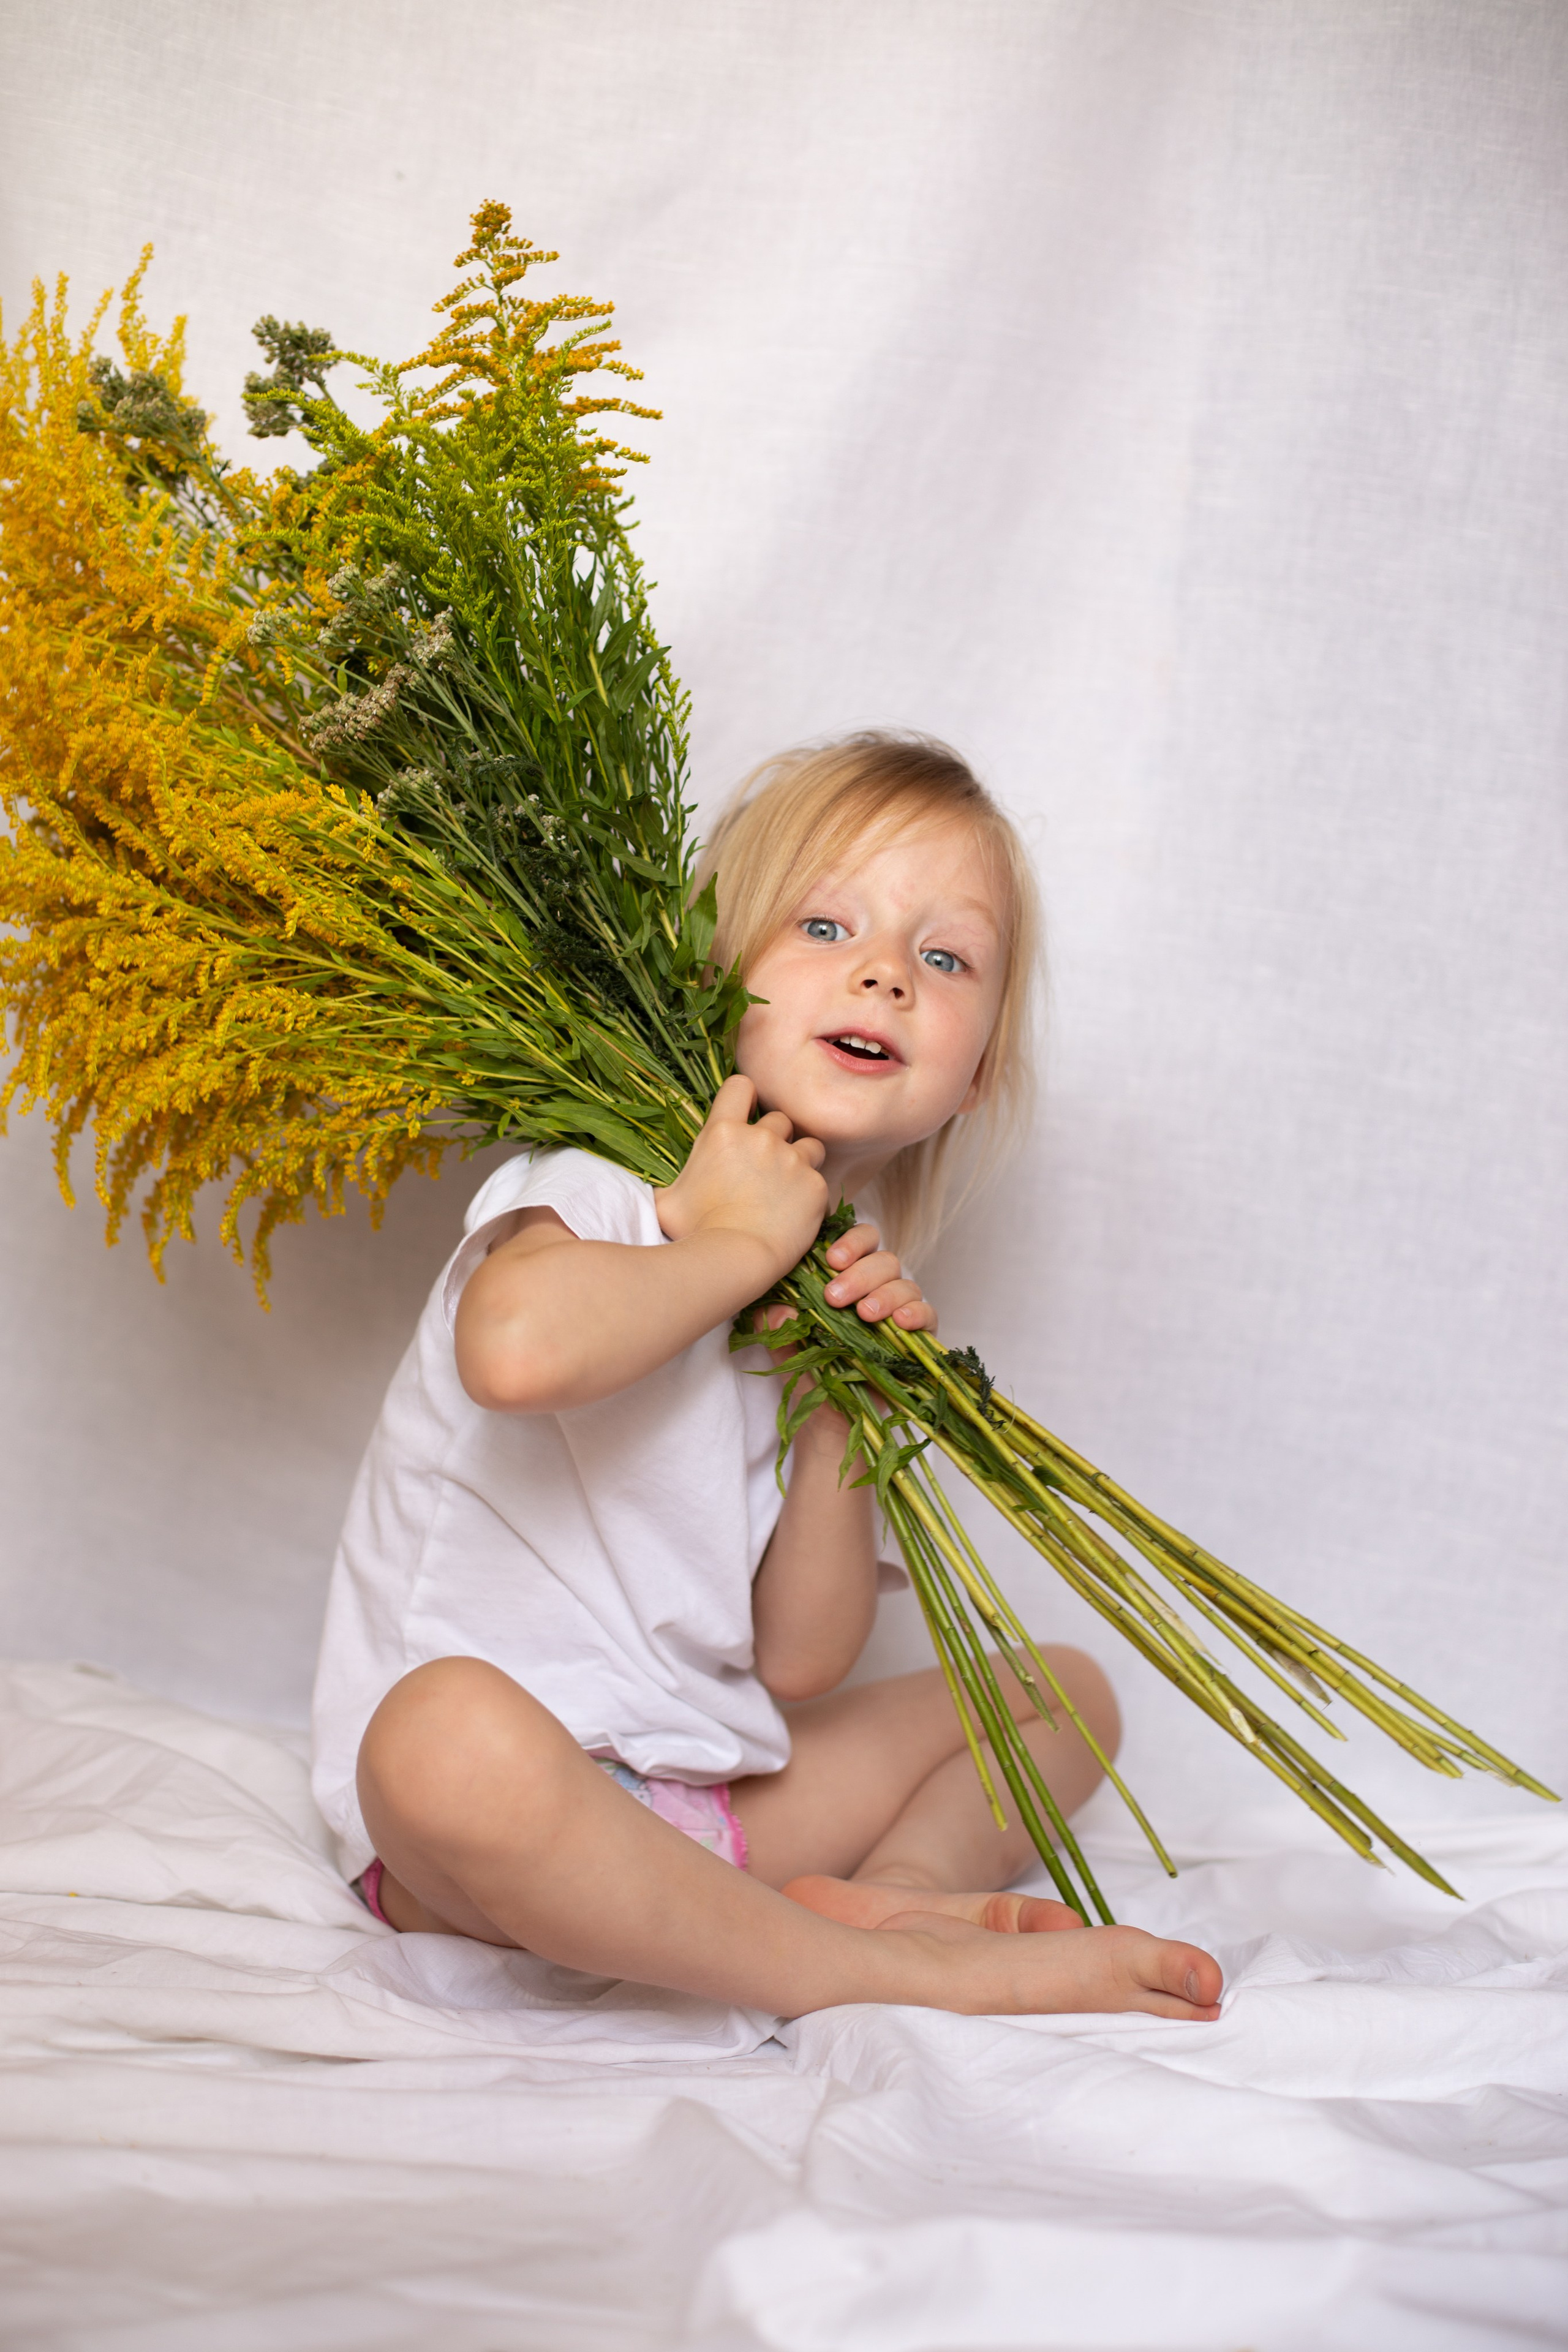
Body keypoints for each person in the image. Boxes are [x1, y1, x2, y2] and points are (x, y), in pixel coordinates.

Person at [310, 734, 1224, 2022]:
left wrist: (843, 1403)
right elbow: (513, 1351)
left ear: (978, 1079)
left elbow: (800, 1660)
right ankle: (865, 1976)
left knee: (1060, 1694)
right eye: (824, 923)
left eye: (943, 957)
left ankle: (895, 1899)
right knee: (438, 1733)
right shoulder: (611, 1185)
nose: (882, 973)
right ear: (705, 973)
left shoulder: (826, 1288)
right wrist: (735, 1243)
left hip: (695, 1823)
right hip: (468, 1835)